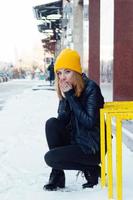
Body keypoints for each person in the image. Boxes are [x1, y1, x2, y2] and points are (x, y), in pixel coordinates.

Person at [43, 48, 104, 191]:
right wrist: (65, 100)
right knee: (51, 123)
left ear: (76, 72)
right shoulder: (67, 90)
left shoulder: (91, 89)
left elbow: (89, 122)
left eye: (67, 71)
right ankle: (57, 175)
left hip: (91, 147)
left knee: (50, 158)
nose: (62, 77)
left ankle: (92, 168)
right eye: (59, 73)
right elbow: (61, 122)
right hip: (75, 141)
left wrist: (71, 97)